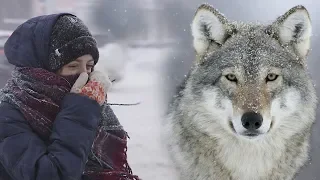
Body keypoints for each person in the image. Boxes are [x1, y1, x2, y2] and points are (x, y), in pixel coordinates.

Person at [0, 13, 140, 180]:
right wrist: (80, 110)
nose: (84, 75)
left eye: (89, 66)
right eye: (73, 65)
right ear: (41, 69)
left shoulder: (86, 104)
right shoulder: (8, 115)